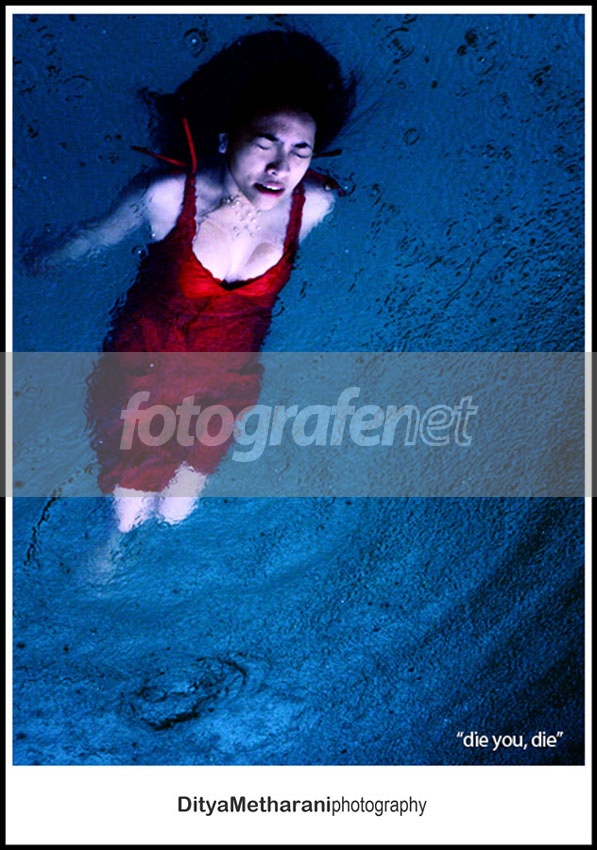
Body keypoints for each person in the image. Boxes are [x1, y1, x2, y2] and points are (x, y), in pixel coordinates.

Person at [30, 30, 357, 533]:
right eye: (265, 144)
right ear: (226, 140)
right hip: (144, 369)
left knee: (177, 512)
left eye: (300, 151)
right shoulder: (167, 196)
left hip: (227, 380)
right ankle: (104, 558)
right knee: (128, 518)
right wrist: (40, 260)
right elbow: (94, 239)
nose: (280, 167)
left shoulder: (313, 205)